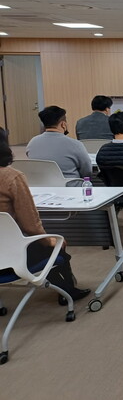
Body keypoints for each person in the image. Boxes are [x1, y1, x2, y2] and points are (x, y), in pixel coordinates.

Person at [0, 127, 90, 302]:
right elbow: (30, 225)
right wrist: (49, 241)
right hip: (9, 256)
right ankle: (67, 292)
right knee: (55, 246)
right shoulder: (11, 177)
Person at [26, 105, 92, 185]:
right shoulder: (75, 144)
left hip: (42, 187)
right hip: (70, 188)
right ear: (63, 124)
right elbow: (87, 171)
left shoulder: (32, 143)